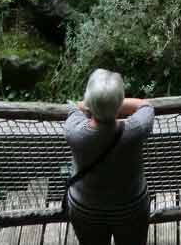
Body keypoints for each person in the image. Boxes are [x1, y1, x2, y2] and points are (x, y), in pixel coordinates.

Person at [64, 68, 155, 245]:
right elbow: (146, 105)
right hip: (130, 207)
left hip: (86, 208)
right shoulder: (136, 129)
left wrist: (95, 104)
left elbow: (74, 106)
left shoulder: (74, 131)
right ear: (120, 102)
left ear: (89, 100)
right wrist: (114, 103)